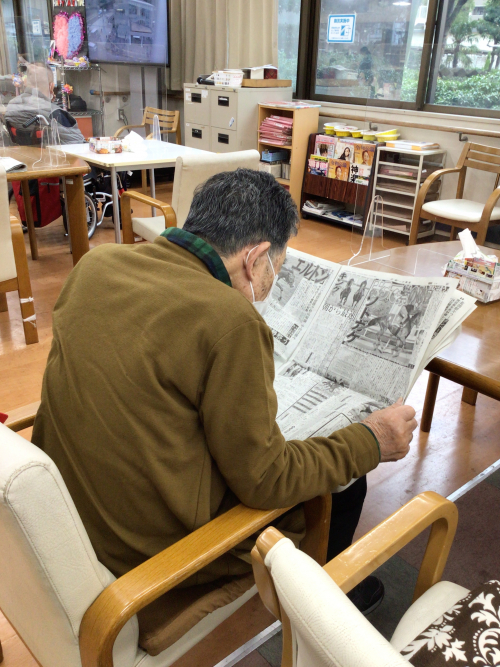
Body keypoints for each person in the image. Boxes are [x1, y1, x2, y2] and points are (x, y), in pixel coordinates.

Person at [32, 170, 416, 629]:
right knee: (348, 478)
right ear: (254, 258)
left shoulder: (96, 265)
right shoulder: (230, 320)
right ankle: (333, 604)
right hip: (153, 558)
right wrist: (372, 440)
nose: (271, 281)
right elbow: (266, 481)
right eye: (275, 268)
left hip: (72, 516)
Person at [4, 62, 84, 145]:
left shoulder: (12, 105)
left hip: (25, 152)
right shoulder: (54, 112)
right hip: (52, 153)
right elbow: (78, 144)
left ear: (26, 82)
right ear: (51, 86)